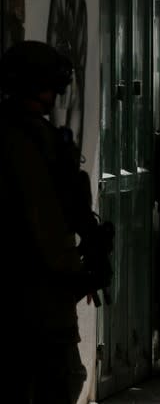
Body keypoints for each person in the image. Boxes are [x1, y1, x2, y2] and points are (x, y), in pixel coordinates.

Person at [1, 41, 104, 404]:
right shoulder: (23, 140)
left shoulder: (33, 134)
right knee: (59, 378)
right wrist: (75, 271)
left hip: (35, 283)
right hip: (35, 286)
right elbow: (43, 216)